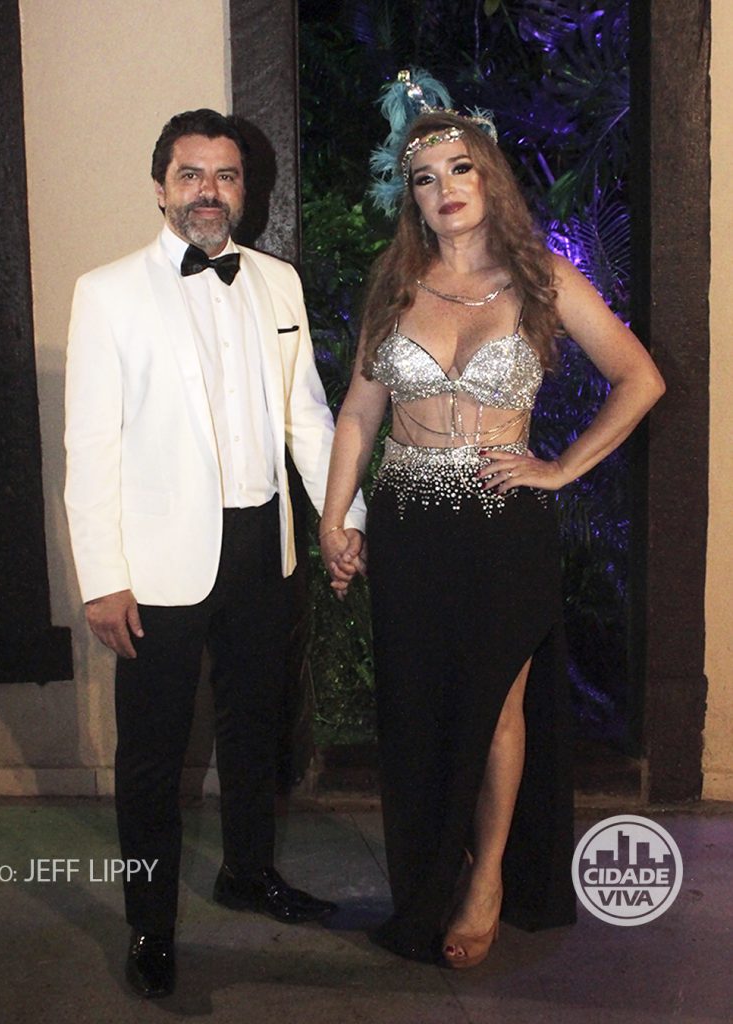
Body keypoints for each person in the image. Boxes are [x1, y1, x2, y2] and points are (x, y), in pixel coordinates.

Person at [319, 104, 665, 967]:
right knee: (418, 712)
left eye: (460, 169)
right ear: (411, 198)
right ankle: (432, 874)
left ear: (488, 176)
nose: (444, 189)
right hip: (406, 524)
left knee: (498, 705)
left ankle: (488, 880)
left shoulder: (543, 278)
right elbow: (358, 413)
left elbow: (639, 378)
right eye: (424, 178)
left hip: (502, 523)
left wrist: (560, 467)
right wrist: (335, 516)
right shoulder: (394, 287)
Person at [64, 108, 366, 998]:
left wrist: (340, 518)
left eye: (224, 175)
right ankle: (149, 927)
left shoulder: (276, 282)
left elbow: (307, 417)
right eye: (190, 174)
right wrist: (103, 578)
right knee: (152, 755)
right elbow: (91, 446)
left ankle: (247, 872)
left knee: (253, 728)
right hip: (157, 564)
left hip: (263, 547)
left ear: (244, 190)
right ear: (160, 186)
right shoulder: (106, 292)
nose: (208, 190)